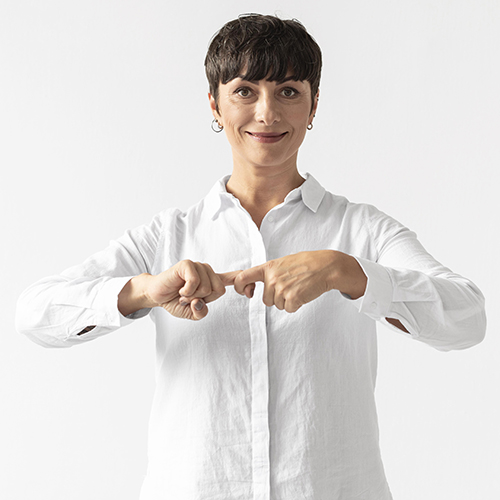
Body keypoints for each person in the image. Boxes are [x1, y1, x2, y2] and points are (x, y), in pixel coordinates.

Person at [16, 13, 486, 500]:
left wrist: (345, 271)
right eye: (245, 91)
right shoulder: (167, 236)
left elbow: (468, 318)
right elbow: (34, 314)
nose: (267, 113)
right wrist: (142, 290)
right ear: (215, 105)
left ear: (313, 105)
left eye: (288, 91)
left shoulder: (361, 230)